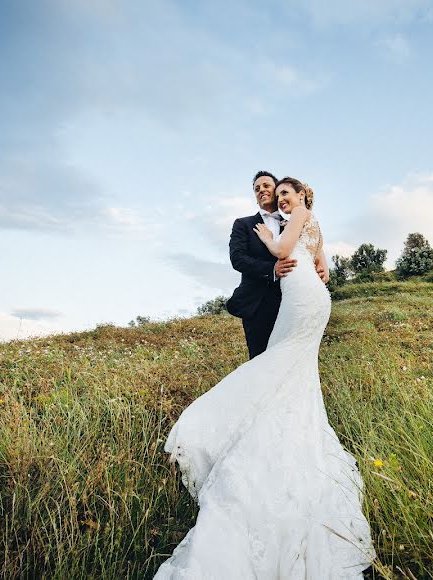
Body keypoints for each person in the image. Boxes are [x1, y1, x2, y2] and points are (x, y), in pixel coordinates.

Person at [155, 177, 376, 579]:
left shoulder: (296, 216)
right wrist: (275, 265)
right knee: (270, 367)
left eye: (276, 190)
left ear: (289, 194)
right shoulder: (246, 223)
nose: (271, 194)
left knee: (280, 370)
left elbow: (300, 250)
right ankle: (238, 431)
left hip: (297, 300)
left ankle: (257, 433)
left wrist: (306, 257)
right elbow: (241, 260)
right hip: (265, 303)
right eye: (264, 189)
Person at [226, 171, 329, 359]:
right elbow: (237, 258)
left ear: (276, 190)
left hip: (290, 301)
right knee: (260, 361)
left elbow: (313, 249)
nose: (261, 190)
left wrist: (321, 268)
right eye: (256, 189)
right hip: (257, 304)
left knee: (291, 358)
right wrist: (271, 270)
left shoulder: (294, 222)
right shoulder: (243, 224)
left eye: (266, 186)